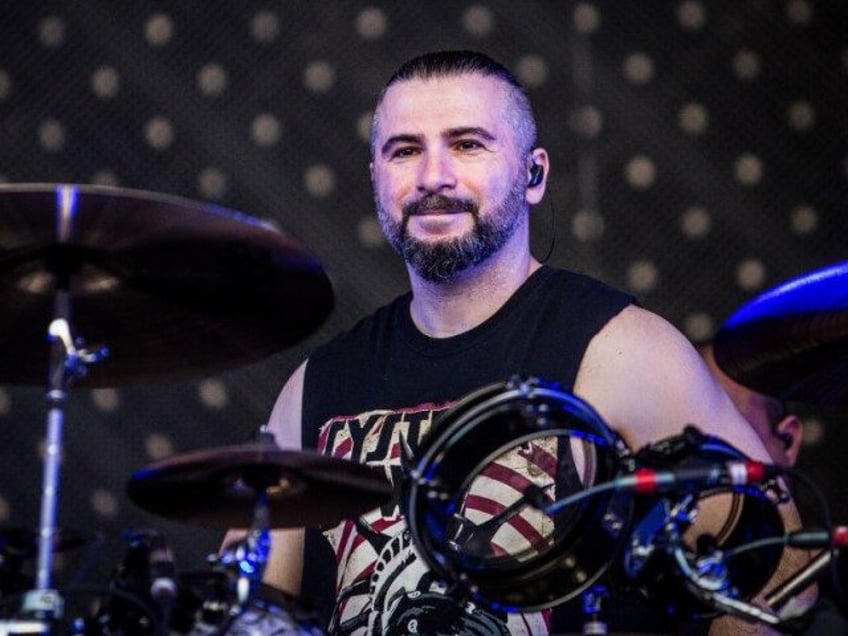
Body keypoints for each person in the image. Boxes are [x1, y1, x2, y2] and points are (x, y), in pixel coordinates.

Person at [223, 50, 815, 634]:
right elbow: (246, 606)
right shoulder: (315, 387)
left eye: (467, 144)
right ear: (376, 180)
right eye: (405, 151)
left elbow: (780, 563)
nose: (434, 176)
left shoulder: (622, 348)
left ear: (534, 175)